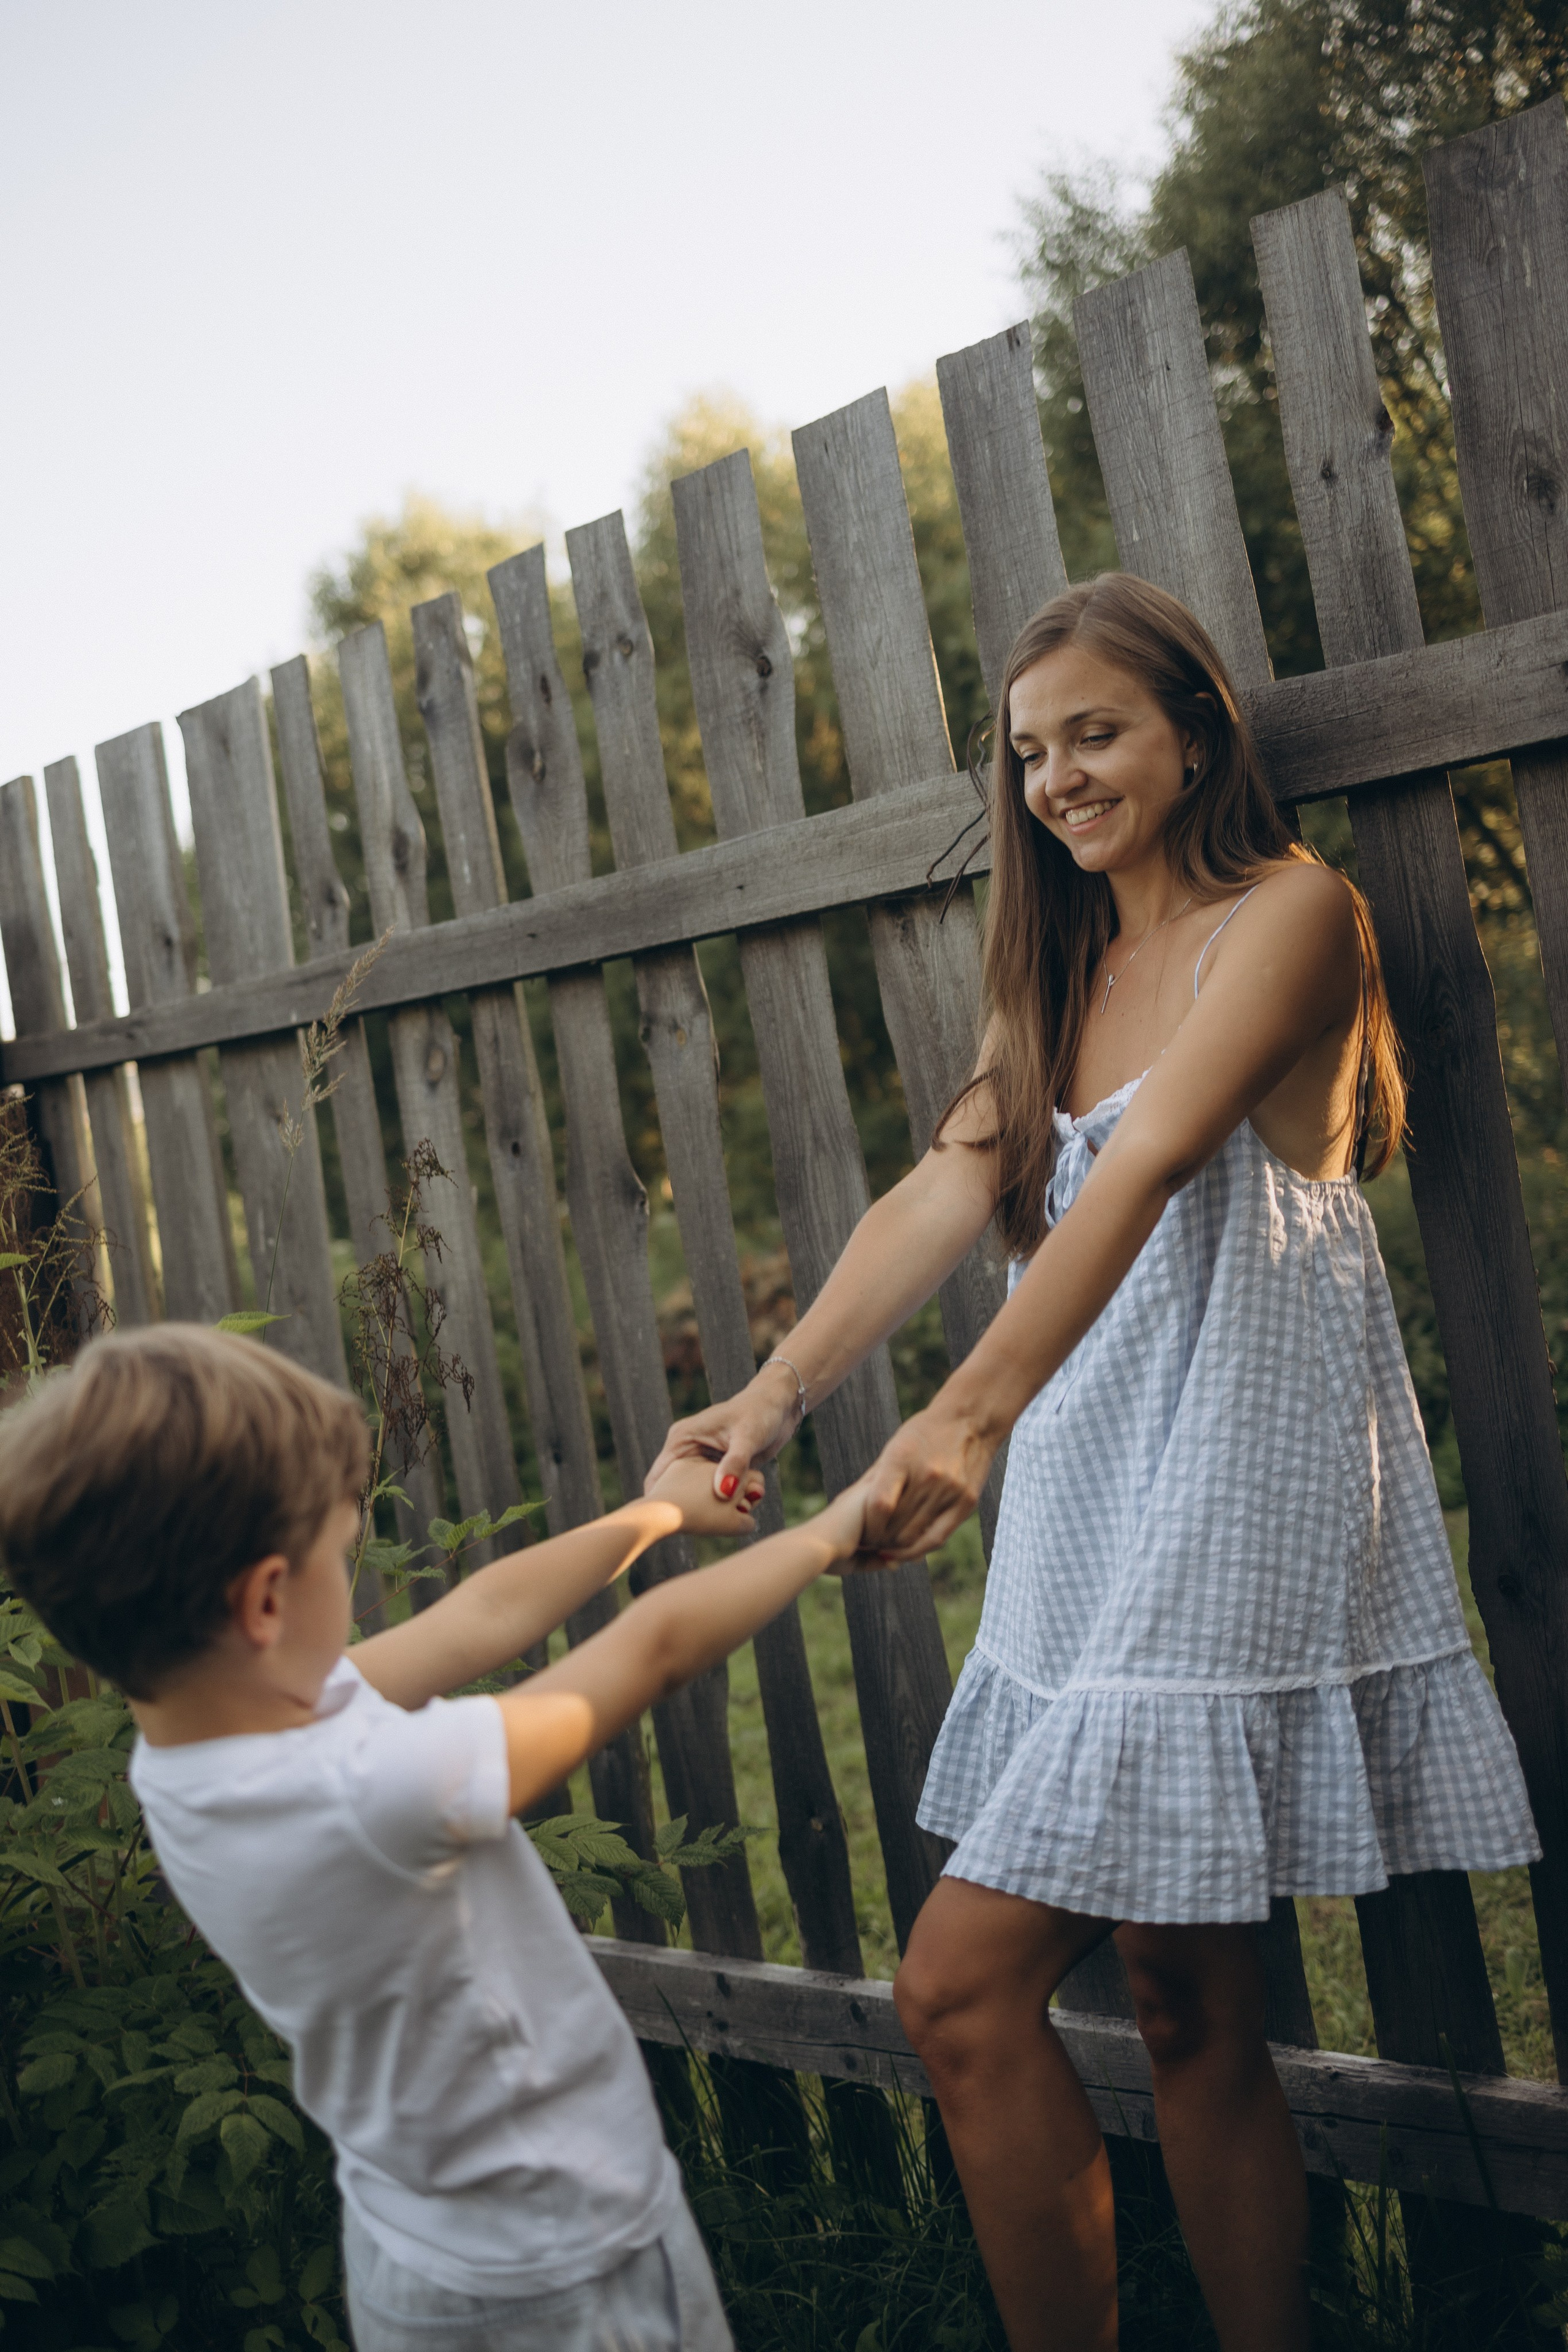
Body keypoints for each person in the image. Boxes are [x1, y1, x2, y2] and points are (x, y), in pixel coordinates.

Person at [647, 573, 1540, 2351]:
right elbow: (947, 1188)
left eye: (1096, 734)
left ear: (1194, 735)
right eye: (1029, 752)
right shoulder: (1063, 971)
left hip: (1235, 1485)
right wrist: (773, 1395)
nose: (1057, 778)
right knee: (1181, 1993)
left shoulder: (1291, 915)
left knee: (956, 1990)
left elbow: (1143, 1170)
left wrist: (966, 1414)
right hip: (1095, 1486)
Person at [0, 1323, 880, 2352]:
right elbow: (653, 1650)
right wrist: (838, 1527)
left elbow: (481, 1615)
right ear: (267, 1601)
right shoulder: (358, 1790)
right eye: (339, 1553)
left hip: (418, 2251)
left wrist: (658, 1514)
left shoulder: (201, 1750)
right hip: (560, 2270)